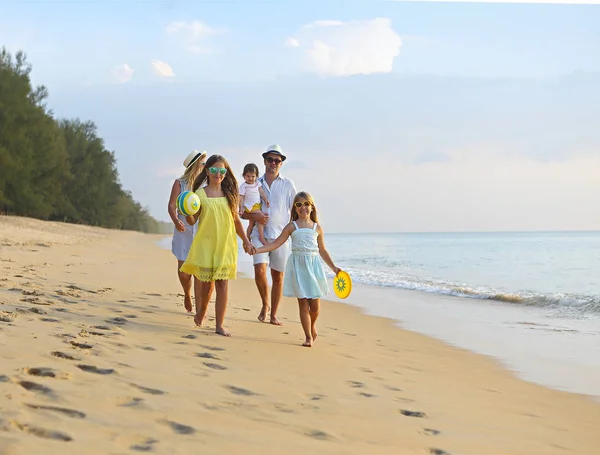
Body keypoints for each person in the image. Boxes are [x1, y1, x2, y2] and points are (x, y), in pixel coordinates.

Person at [252, 191, 341, 347]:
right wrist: (257, 250)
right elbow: (276, 244)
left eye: (306, 204)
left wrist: (334, 268)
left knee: (315, 307)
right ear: (295, 208)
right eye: (299, 205)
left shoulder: (317, 228)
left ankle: (312, 325)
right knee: (303, 304)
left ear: (312, 207)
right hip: (298, 269)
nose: (303, 207)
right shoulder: (291, 226)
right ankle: (308, 336)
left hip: (313, 268)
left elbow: (323, 250)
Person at [180, 154, 255, 336]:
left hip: (225, 244)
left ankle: (219, 325)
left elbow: (236, 221)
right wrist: (185, 210)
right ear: (207, 171)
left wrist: (246, 241)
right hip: (206, 244)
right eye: (214, 170)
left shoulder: (230, 195)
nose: (218, 174)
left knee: (222, 285)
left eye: (222, 171)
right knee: (206, 286)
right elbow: (192, 221)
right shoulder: (199, 194)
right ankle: (202, 312)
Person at [242, 144, 296, 326]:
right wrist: (254, 216)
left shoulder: (288, 184)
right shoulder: (253, 183)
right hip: (259, 234)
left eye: (277, 160)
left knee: (278, 276)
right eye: (270, 160)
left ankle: (274, 314)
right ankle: (265, 305)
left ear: (281, 163)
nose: (273, 163)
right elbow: (241, 212)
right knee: (259, 271)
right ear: (264, 161)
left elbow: (295, 211)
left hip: (281, 237)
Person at [167, 150, 213, 313]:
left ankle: (200, 308)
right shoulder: (180, 183)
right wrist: (176, 220)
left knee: (199, 272)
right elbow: (172, 205)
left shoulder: (207, 184)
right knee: (185, 272)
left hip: (201, 230)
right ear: (195, 165)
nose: (205, 166)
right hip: (184, 229)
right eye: (203, 163)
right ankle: (187, 293)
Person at [238, 163, 270, 247]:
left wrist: (266, 199)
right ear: (244, 176)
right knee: (261, 218)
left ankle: (247, 238)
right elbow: (241, 198)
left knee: (251, 224)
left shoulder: (257, 183)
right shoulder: (244, 186)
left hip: (257, 205)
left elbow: (261, 192)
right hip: (250, 206)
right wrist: (241, 208)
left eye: (253, 176)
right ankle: (261, 237)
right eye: (248, 176)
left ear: (256, 176)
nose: (250, 179)